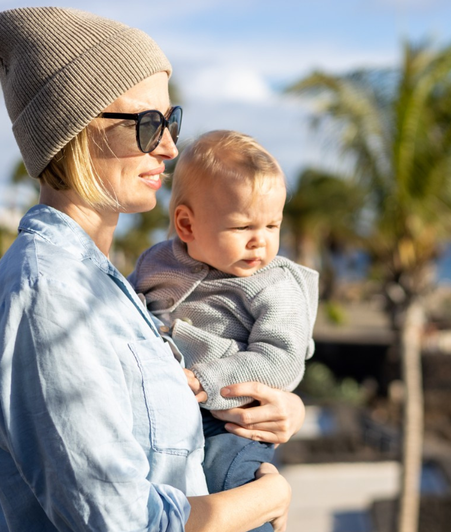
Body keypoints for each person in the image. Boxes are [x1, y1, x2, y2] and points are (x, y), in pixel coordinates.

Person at [0, 7, 304, 531]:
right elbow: (121, 521)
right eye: (147, 125)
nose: (170, 147)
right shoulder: (50, 293)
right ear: (75, 128)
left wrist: (277, 410)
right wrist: (267, 498)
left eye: (171, 121)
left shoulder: (112, 286)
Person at [129, 131, 318, 528]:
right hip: (170, 409)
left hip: (232, 420)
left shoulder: (274, 283)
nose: (260, 243)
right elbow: (127, 310)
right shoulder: (157, 263)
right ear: (186, 225)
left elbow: (281, 359)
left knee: (230, 485)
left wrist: (207, 379)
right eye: (242, 227)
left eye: (272, 225)